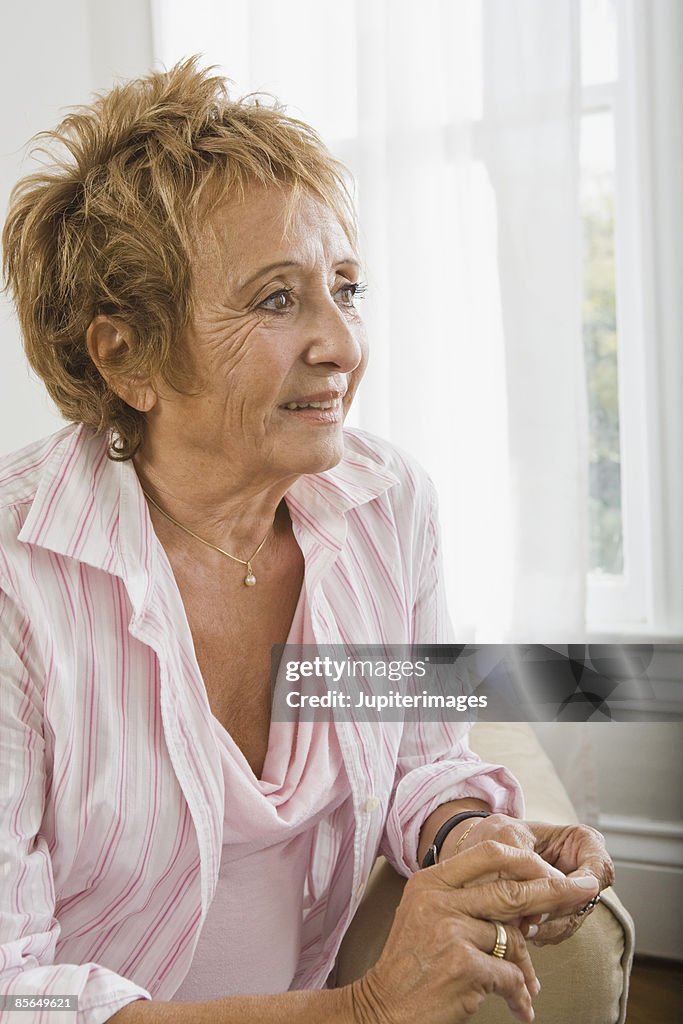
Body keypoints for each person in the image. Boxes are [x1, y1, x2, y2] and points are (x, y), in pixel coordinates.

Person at [0, 59, 613, 1024]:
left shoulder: (383, 503)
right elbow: (12, 988)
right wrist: (364, 1010)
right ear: (127, 355)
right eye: (277, 300)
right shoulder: (15, 577)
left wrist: (472, 838)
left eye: (346, 287)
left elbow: (419, 759)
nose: (343, 343)